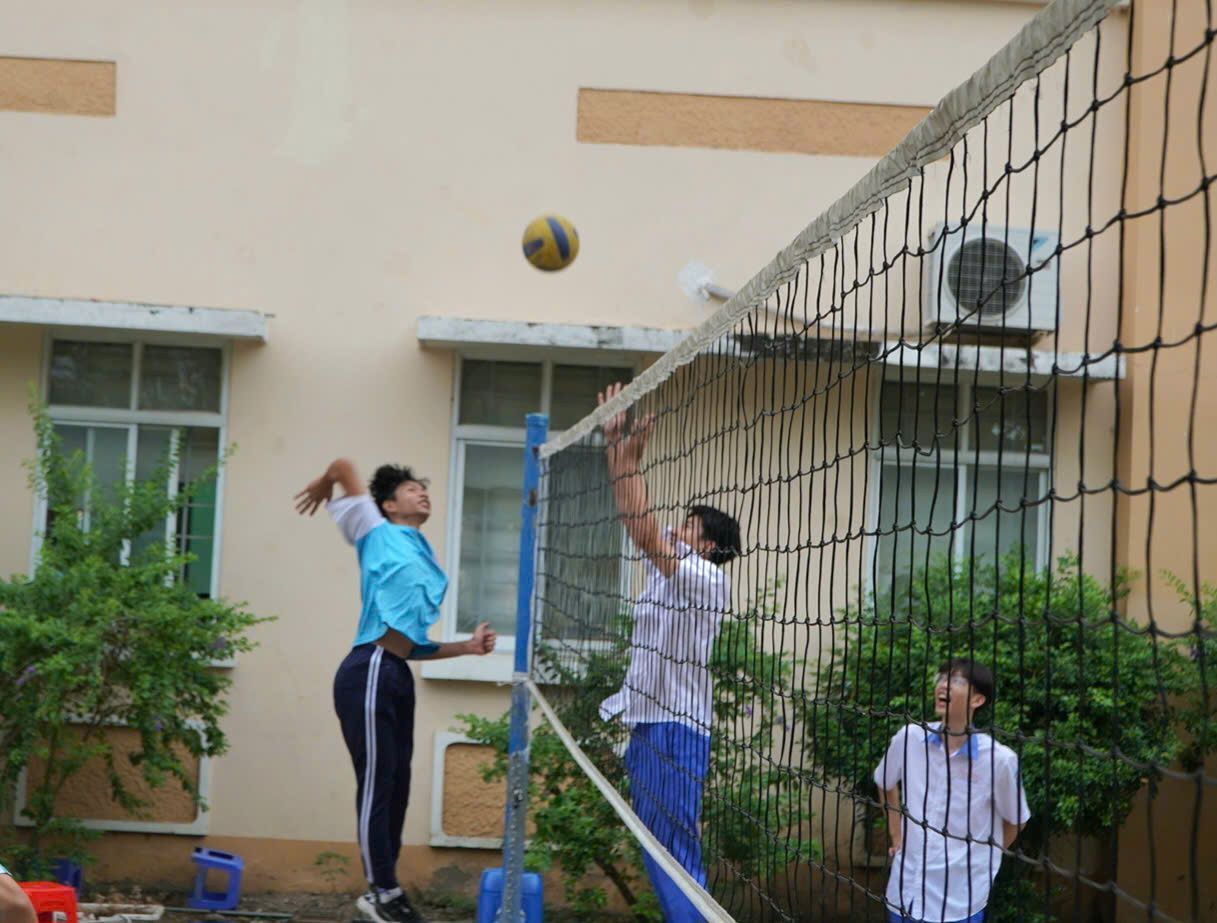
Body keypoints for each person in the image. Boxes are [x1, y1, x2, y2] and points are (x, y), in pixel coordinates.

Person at [295, 459, 497, 923]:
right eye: (411, 489)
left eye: (423, 489)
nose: (422, 494)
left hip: (395, 670)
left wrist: (467, 647)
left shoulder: (421, 556)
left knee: (397, 785)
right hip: (368, 668)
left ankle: (387, 890)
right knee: (376, 783)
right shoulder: (375, 529)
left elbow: (409, 646)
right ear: (389, 504)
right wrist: (323, 483)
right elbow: (342, 465)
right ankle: (381, 891)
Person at [595, 382, 741, 923]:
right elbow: (641, 528)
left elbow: (645, 534)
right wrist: (618, 453)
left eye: (689, 527)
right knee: (657, 848)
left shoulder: (704, 578)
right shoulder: (669, 577)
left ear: (706, 545)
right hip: (649, 725)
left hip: (678, 732)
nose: (677, 531)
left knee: (674, 853)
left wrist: (629, 460)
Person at [874, 659, 1031, 923]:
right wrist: (895, 831)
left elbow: (1017, 821)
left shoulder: (999, 759)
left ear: (977, 700)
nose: (943, 684)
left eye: (956, 680)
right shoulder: (910, 737)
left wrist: (984, 858)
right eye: (942, 677)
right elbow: (885, 780)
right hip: (903, 892)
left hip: (959, 904)